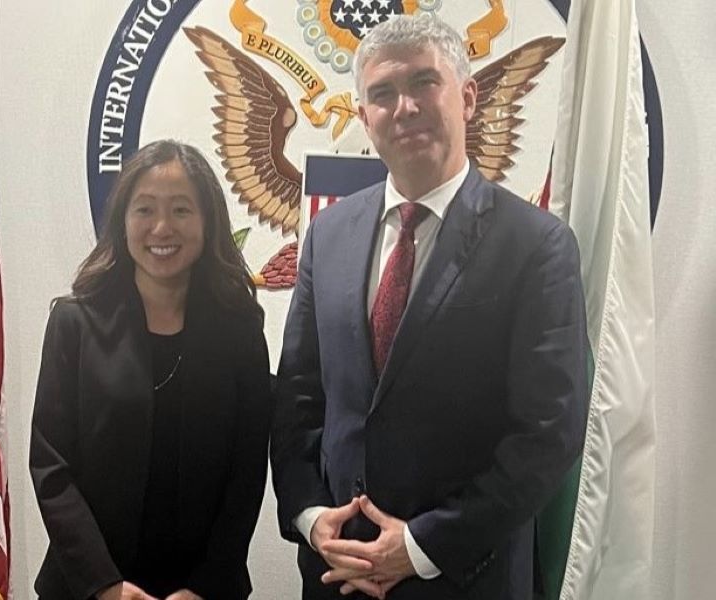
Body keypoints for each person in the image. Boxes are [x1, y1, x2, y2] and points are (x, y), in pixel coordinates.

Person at [270, 14, 588, 600]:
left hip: (465, 578)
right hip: (337, 575)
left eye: (423, 83)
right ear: (363, 116)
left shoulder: (536, 245)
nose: (405, 107)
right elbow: (298, 400)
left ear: (467, 97)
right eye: (383, 94)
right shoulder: (328, 234)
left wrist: (423, 546)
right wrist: (310, 517)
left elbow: (548, 433)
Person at [30, 140, 272, 600]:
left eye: (181, 210)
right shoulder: (74, 323)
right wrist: (105, 586)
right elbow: (51, 466)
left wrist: (204, 587)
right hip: (85, 587)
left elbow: (246, 475)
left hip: (203, 590)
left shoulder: (240, 332)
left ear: (207, 223)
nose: (162, 227)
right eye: (145, 209)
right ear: (123, 220)